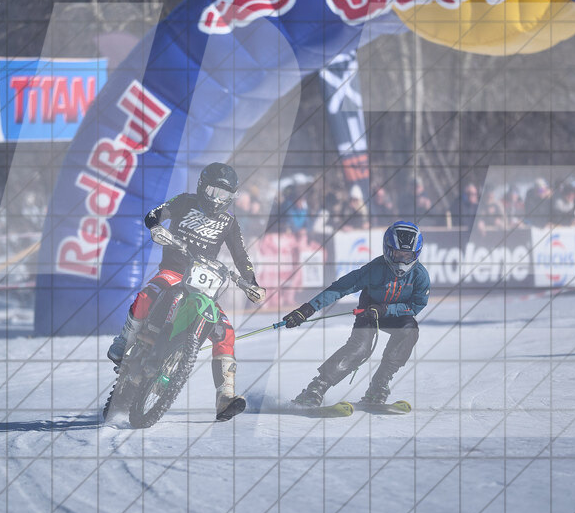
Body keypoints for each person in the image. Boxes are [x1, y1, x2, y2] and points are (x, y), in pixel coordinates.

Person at [107, 163, 266, 420]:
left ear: (231, 197)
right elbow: (155, 213)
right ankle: (124, 340)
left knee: (225, 332)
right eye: (213, 191)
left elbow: (241, 255)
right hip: (174, 271)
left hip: (205, 284)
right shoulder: (185, 201)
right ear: (202, 187)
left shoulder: (229, 222)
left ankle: (225, 396)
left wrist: (252, 283)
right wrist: (156, 226)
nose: (217, 199)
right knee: (147, 296)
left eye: (224, 195)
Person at [281, 221, 431, 407]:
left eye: (407, 256)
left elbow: (416, 306)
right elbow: (340, 288)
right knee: (360, 348)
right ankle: (316, 387)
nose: (401, 260)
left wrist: (386, 309)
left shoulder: (420, 276)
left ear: (416, 254)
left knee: (410, 331)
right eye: (397, 254)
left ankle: (378, 386)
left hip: (396, 316)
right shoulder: (373, 269)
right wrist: (307, 309)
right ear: (387, 249)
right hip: (368, 312)